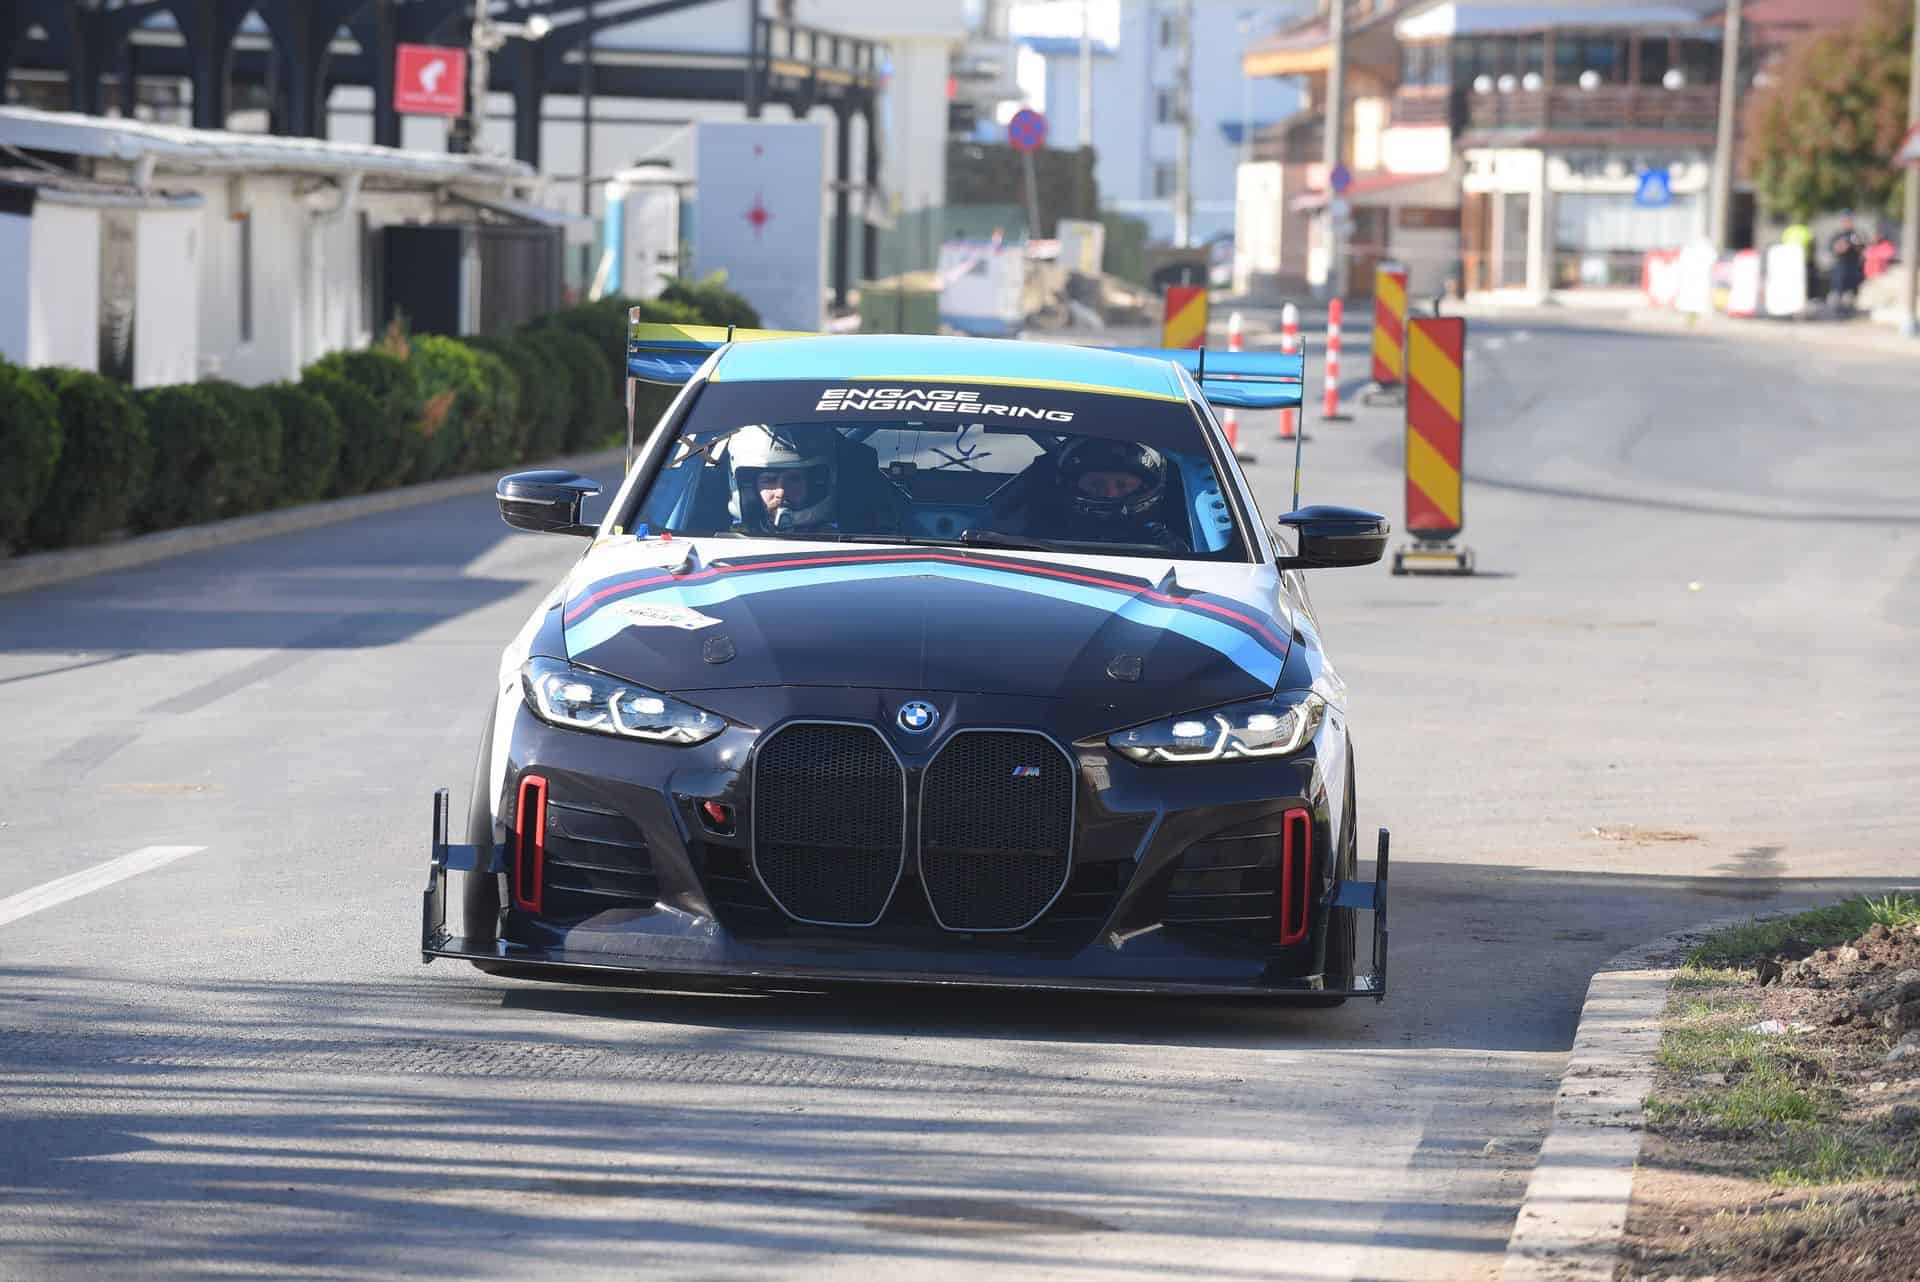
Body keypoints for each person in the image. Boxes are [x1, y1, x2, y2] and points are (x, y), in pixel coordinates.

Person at [1047, 437, 1180, 548]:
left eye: (1123, 485)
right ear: (1073, 485)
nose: (1111, 493)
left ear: (1144, 487)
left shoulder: (1175, 543)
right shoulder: (1040, 537)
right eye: (1097, 484)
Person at [727, 425, 839, 534]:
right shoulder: (726, 542)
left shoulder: (837, 543)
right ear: (750, 487)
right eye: (770, 480)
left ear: (813, 485)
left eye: (793, 479)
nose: (781, 493)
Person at [1828, 213, 1865, 310]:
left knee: (1852, 301)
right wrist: (1841, 246)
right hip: (1840, 274)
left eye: (1849, 221)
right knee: (1837, 300)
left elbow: (1863, 250)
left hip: (1854, 273)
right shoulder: (1838, 235)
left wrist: (1854, 245)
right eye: (1845, 221)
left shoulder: (1857, 235)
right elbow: (1834, 249)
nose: (1848, 223)